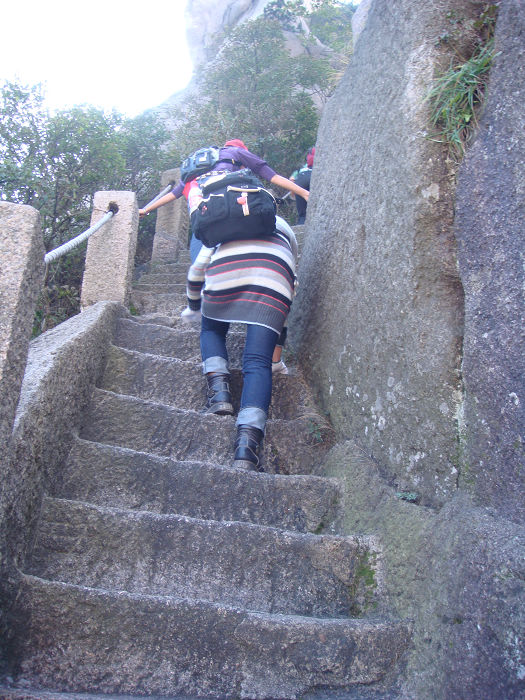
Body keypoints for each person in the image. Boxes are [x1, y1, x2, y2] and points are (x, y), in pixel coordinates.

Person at [184, 212, 299, 472]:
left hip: (223, 276)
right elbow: (289, 283)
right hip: (275, 281)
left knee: (211, 329)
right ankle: (247, 449)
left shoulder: (223, 218)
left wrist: (193, 306)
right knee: (258, 362)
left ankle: (219, 394)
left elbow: (198, 269)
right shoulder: (284, 228)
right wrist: (276, 360)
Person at [139, 139, 309, 262]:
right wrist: (304, 193)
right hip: (231, 205)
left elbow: (173, 194)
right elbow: (273, 177)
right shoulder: (237, 152)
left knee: (199, 253)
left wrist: (146, 209)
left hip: (201, 213)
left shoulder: (195, 167)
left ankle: (198, 290)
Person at [293, 146, 315, 225]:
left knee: (302, 215)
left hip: (301, 178)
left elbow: (292, 179)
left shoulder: (303, 167)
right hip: (313, 175)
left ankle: (301, 224)